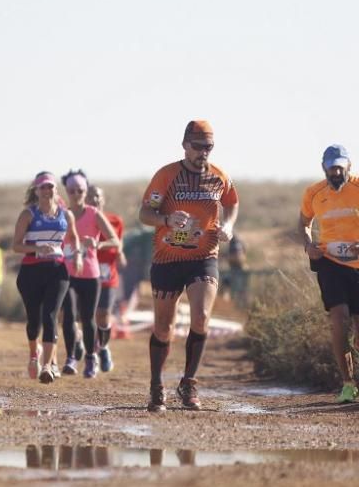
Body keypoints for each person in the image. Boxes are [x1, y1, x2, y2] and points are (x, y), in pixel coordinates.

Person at [138, 120, 239, 412]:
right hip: (167, 258)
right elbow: (145, 213)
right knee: (163, 327)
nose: (203, 153)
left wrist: (229, 226)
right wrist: (166, 220)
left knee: (201, 317)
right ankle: (157, 385)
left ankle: (189, 382)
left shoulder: (219, 177)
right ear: (184, 145)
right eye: (197, 147)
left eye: (208, 147)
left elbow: (232, 201)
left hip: (203, 257)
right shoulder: (167, 175)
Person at [300, 144, 359, 404]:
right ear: (324, 168)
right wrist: (308, 245)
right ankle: (348, 383)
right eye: (332, 167)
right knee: (338, 319)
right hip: (329, 262)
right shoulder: (313, 193)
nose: (336, 171)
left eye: (340, 166)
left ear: (348, 166)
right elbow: (304, 222)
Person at [10, 171, 83, 384]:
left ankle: (47, 366)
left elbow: (74, 238)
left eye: (50, 186)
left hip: (57, 271)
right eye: (42, 187)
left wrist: (77, 256)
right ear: (36, 190)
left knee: (50, 316)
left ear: (55, 189)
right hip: (31, 272)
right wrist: (37, 248)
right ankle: (35, 353)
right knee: (34, 322)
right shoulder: (28, 215)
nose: (46, 190)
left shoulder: (65, 215)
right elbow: (16, 245)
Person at [58, 171, 122, 378]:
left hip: (91, 275)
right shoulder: (62, 214)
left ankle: (92, 357)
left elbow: (116, 241)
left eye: (80, 190)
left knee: (88, 318)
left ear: (85, 191)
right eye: (72, 191)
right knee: (68, 317)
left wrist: (98, 243)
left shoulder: (94, 214)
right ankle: (70, 358)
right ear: (66, 191)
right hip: (68, 274)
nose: (77, 194)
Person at [89, 184, 128, 372]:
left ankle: (103, 348)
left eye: (98, 196)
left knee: (103, 315)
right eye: (91, 196)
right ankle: (91, 352)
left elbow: (118, 244)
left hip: (108, 276)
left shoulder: (116, 221)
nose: (95, 199)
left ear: (103, 199)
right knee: (87, 316)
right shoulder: (81, 220)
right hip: (87, 274)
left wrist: (120, 254)